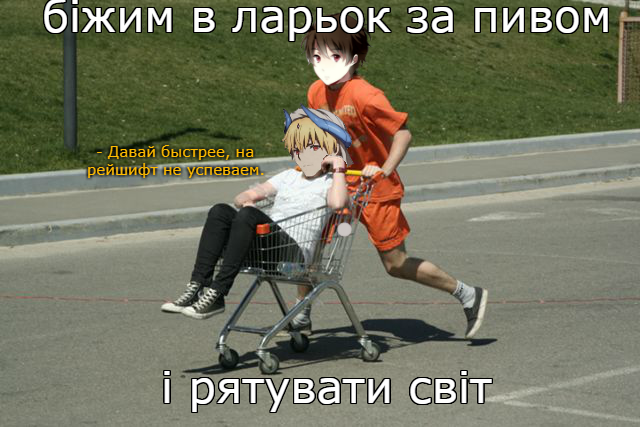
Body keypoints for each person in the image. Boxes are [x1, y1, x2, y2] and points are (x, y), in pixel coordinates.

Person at [291, 14, 488, 339]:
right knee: (311, 241)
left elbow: (403, 135)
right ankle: (301, 313)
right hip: (341, 185)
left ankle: (467, 293)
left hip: (375, 189)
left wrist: (384, 168)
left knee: (395, 264)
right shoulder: (316, 92)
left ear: (355, 58)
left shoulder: (365, 95)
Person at [161, 107, 351, 319]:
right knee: (220, 211)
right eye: (299, 148)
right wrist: (248, 199)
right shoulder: (287, 176)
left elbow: (337, 204)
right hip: (266, 248)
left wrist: (339, 168)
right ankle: (197, 285)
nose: (304, 154)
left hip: (292, 256)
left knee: (249, 216)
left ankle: (218, 292)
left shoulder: (332, 182)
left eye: (312, 148)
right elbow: (244, 197)